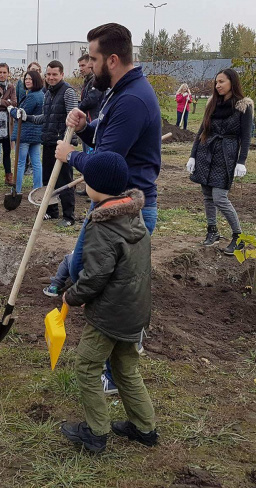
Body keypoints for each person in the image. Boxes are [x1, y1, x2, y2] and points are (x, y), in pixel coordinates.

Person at [56, 22, 162, 394]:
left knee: (109, 284)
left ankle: (118, 369)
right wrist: (86, 127)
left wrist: (73, 155)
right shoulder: (120, 92)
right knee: (94, 273)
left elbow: (107, 164)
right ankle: (116, 363)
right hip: (114, 205)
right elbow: (106, 140)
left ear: (113, 59)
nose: (88, 64)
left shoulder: (132, 99)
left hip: (126, 209)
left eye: (94, 58)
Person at [59, 150, 158, 454]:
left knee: (87, 366)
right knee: (126, 368)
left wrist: (71, 296)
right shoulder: (132, 214)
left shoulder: (102, 225)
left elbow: (96, 275)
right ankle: (145, 428)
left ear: (94, 186)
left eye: (86, 181)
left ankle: (95, 432)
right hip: (135, 310)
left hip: (110, 315)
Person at [186, 68, 253, 254]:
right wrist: (192, 155)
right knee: (207, 195)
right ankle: (212, 231)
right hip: (205, 152)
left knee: (219, 197)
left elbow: (246, 137)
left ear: (232, 82)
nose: (218, 85)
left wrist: (242, 161)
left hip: (226, 156)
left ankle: (238, 237)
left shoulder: (243, 106)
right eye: (216, 82)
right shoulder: (212, 103)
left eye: (222, 81)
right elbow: (202, 131)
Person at [17, 60, 78, 227]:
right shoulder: (48, 93)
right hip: (49, 141)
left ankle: (68, 216)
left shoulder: (68, 92)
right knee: (48, 179)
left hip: (63, 144)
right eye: (49, 74)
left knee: (64, 180)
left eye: (54, 74)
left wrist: (67, 141)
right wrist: (27, 117)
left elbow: (73, 119)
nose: (51, 77)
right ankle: (52, 211)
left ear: (62, 75)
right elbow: (45, 118)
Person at [9, 70, 44, 194]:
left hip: (24, 134)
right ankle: (37, 189)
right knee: (36, 162)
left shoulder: (32, 96)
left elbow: (21, 114)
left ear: (36, 80)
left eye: (30, 79)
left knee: (20, 163)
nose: (27, 81)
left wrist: (11, 110)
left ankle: (17, 190)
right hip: (36, 134)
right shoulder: (41, 94)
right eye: (26, 79)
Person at [78, 54, 103, 156]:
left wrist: (77, 107)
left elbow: (90, 100)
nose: (80, 69)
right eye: (79, 66)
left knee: (91, 152)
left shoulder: (96, 81)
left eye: (83, 65)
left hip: (93, 120)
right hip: (87, 120)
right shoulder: (87, 81)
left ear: (90, 64)